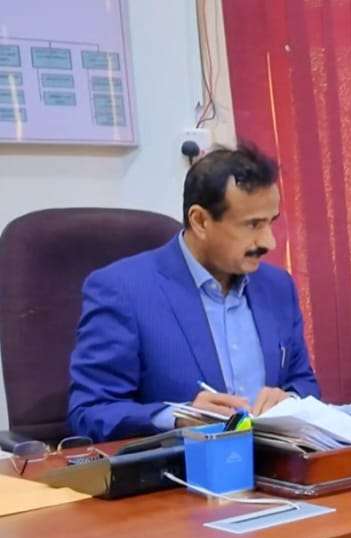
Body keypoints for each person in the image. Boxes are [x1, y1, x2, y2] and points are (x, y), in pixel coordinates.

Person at [68, 144, 320, 442]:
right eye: (252, 225)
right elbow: (90, 411)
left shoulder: (277, 287)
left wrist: (290, 400)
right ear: (200, 221)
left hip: (275, 461)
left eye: (270, 222)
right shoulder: (122, 290)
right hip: (182, 464)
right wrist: (176, 417)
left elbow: (303, 383)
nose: (269, 242)